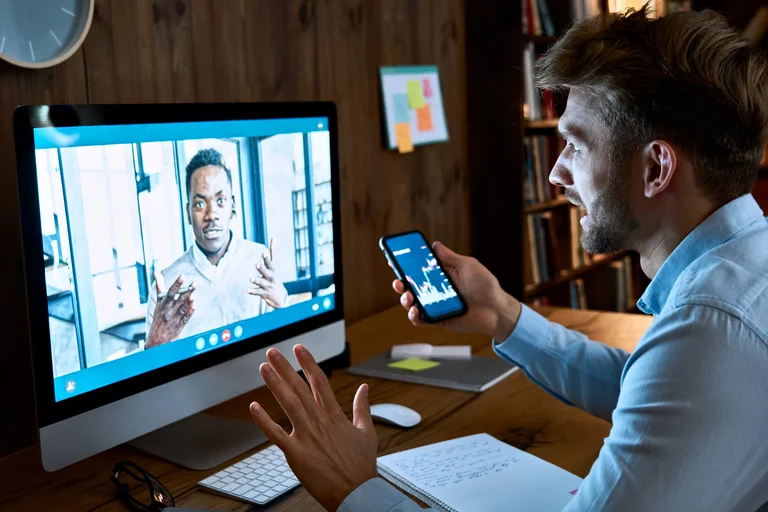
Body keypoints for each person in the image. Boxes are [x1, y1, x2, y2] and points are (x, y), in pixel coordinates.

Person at [246, 6, 768, 512]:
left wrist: (353, 488)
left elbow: (673, 377)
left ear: (657, 169)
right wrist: (503, 314)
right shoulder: (744, 264)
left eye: (576, 145)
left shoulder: (709, 328)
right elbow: (647, 387)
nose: (556, 174)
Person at [144, 148, 288, 348]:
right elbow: (154, 370)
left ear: (233, 206)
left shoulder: (260, 260)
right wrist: (153, 346)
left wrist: (283, 305)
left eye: (220, 201)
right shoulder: (166, 286)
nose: (212, 214)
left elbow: (286, 345)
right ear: (188, 213)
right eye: (200, 204)